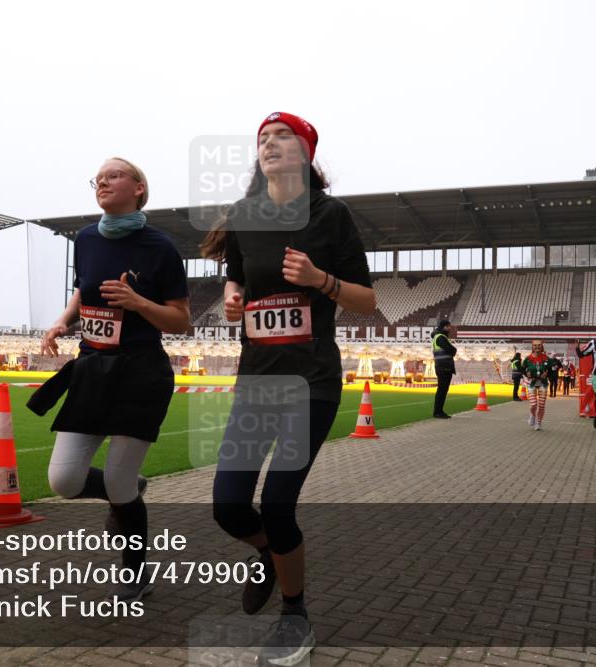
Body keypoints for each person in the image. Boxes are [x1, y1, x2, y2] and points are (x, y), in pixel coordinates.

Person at [201, 111, 375, 665]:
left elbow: (367, 301)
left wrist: (321, 280)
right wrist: (233, 296)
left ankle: (295, 613)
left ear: (306, 151)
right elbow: (236, 273)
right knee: (229, 506)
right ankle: (266, 557)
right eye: (262, 139)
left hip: (312, 384)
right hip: (255, 384)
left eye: (282, 136)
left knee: (277, 505)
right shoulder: (245, 217)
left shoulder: (332, 215)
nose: (270, 144)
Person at [33, 157, 189, 603]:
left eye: (114, 174)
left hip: (141, 373)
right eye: (97, 178)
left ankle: (135, 573)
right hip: (92, 370)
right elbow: (85, 287)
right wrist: (63, 320)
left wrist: (138, 302)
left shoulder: (160, 247)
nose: (102, 181)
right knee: (64, 481)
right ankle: (131, 489)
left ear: (139, 187)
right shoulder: (84, 239)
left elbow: (180, 320)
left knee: (118, 485)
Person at [522, 340, 551, 431]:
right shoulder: (527, 358)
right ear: (532, 346)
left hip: (543, 383)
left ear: (542, 346)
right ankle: (532, 415)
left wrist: (547, 373)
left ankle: (538, 423)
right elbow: (523, 370)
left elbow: (552, 370)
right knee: (533, 405)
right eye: (535, 345)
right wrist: (527, 374)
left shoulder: (546, 358)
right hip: (532, 384)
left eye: (539, 345)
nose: (537, 347)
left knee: (541, 405)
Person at [431, 319, 457, 418]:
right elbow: (451, 349)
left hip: (442, 366)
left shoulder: (438, 336)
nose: (449, 328)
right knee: (442, 390)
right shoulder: (441, 337)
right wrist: (454, 350)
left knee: (442, 390)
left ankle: (438, 411)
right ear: (444, 327)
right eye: (448, 326)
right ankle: (438, 412)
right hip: (444, 367)